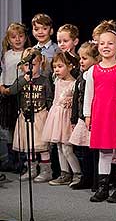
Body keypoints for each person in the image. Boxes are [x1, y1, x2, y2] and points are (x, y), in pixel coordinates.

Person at [84, 30, 116, 203]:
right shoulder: (93, 70)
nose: (106, 46)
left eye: (110, 43)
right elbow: (88, 95)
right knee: (104, 152)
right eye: (102, 43)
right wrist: (87, 115)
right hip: (100, 117)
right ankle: (103, 188)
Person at [6, 48, 53, 182]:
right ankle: (31, 168)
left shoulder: (44, 80)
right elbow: (12, 91)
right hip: (25, 116)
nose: (30, 67)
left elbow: (49, 96)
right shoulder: (21, 79)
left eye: (33, 64)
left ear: (40, 64)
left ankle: (46, 170)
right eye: (27, 65)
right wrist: (24, 80)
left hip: (40, 115)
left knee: (42, 146)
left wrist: (49, 112)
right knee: (28, 145)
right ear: (22, 66)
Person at [42, 52, 81, 186]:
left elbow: (75, 102)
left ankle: (77, 173)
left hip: (66, 119)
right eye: (54, 67)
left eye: (60, 66)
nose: (56, 69)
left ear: (70, 66)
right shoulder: (56, 79)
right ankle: (65, 173)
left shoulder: (74, 84)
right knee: (59, 146)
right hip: (56, 116)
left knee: (67, 148)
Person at [69, 42, 99, 190]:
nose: (81, 61)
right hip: (82, 118)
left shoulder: (96, 74)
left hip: (94, 119)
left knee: (95, 152)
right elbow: (76, 97)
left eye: (85, 58)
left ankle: (96, 180)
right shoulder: (82, 75)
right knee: (83, 150)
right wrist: (74, 118)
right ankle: (86, 178)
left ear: (95, 59)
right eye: (80, 58)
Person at [0, 23, 30, 172]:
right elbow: (3, 72)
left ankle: (22, 161)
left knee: (21, 127)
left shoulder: (28, 53)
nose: (17, 39)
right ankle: (11, 159)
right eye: (13, 37)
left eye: (20, 36)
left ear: (25, 37)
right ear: (8, 39)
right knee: (9, 128)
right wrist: (1, 86)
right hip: (7, 93)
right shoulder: (6, 54)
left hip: (21, 93)